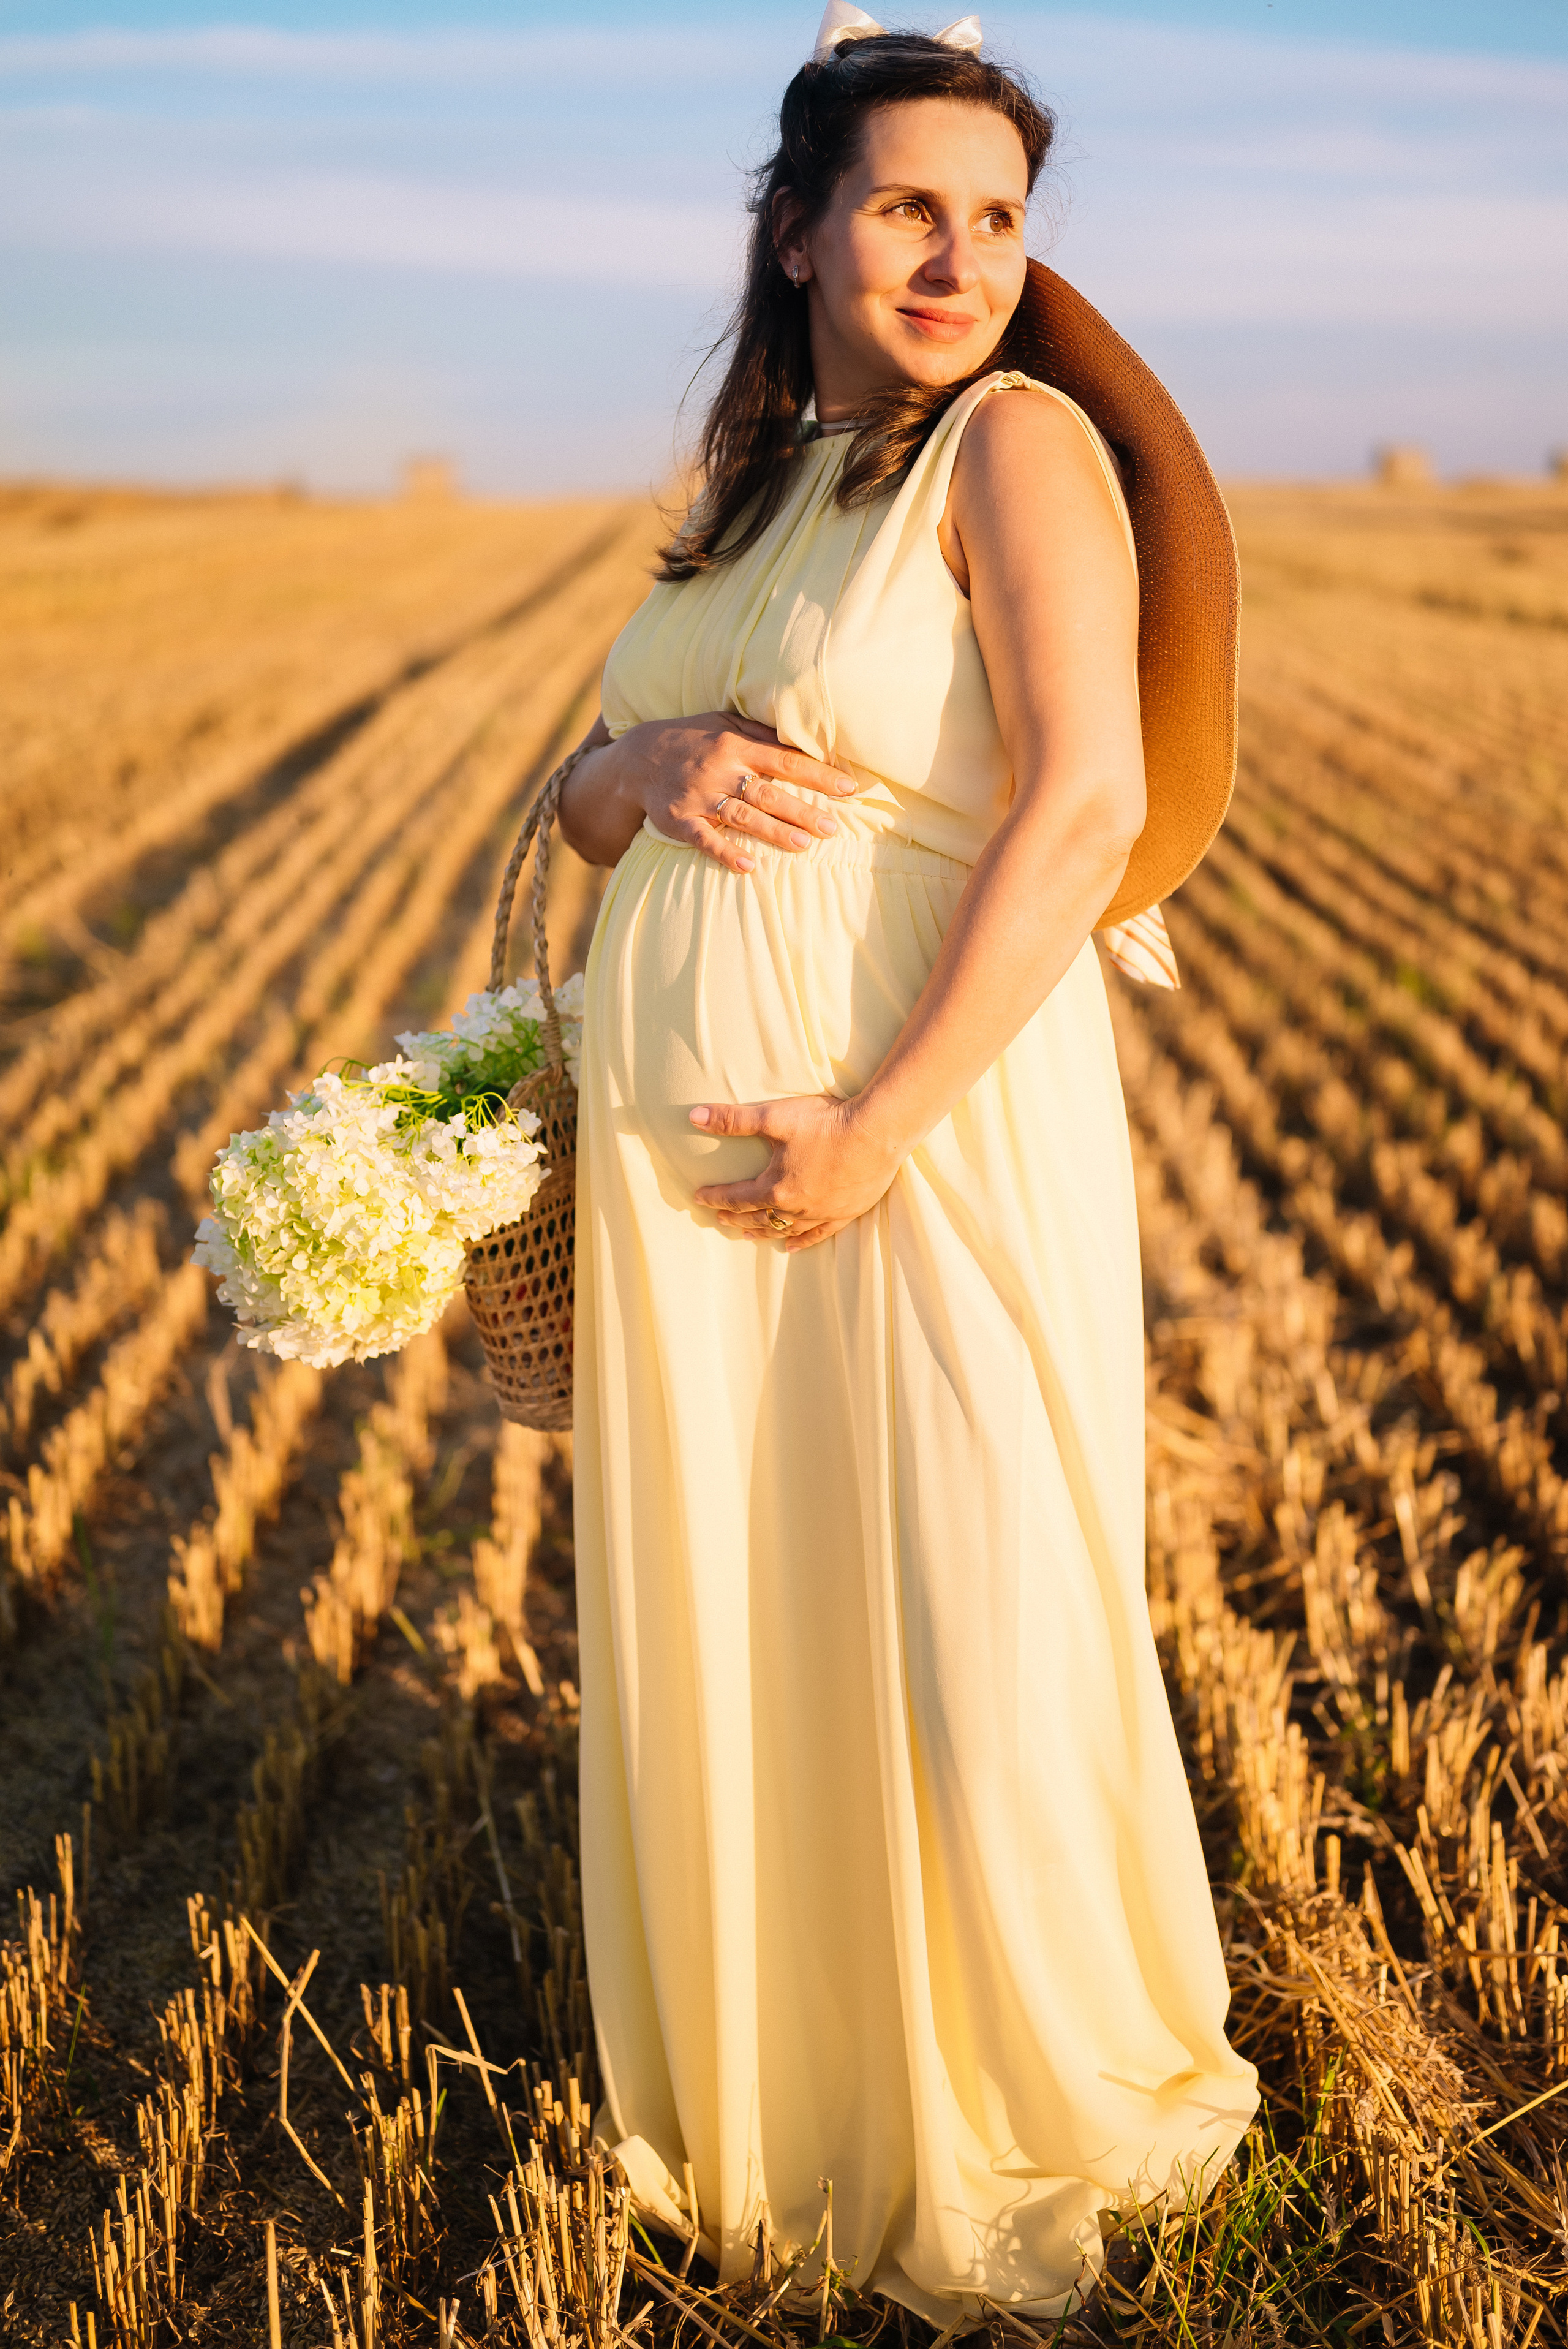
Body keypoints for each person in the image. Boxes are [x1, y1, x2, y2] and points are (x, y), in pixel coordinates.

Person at [552, 4, 1258, 2323]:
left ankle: (1021, 2095)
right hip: (701, 1191)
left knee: (967, 1590)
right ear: (796, 233)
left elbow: (1071, 812)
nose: (958, 256)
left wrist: (875, 1120)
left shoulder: (1016, 447)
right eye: (907, 207)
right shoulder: (755, 495)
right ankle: (795, 2101)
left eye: (996, 218)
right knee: (755, 1592)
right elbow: (572, 800)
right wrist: (640, 761)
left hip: (926, 1123)